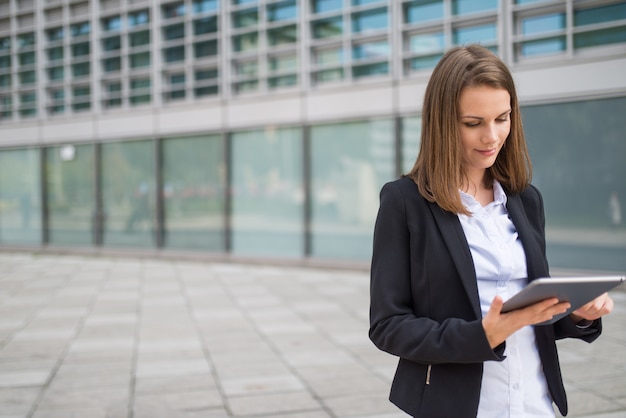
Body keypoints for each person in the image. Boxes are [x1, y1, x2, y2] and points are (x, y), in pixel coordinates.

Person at [368, 44, 614, 418]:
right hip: (460, 406)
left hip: (534, 400)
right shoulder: (404, 202)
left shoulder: (525, 200)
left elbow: (532, 311)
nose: (492, 136)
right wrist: (483, 335)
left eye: (502, 118)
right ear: (442, 122)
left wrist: (578, 313)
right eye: (473, 123)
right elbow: (388, 325)